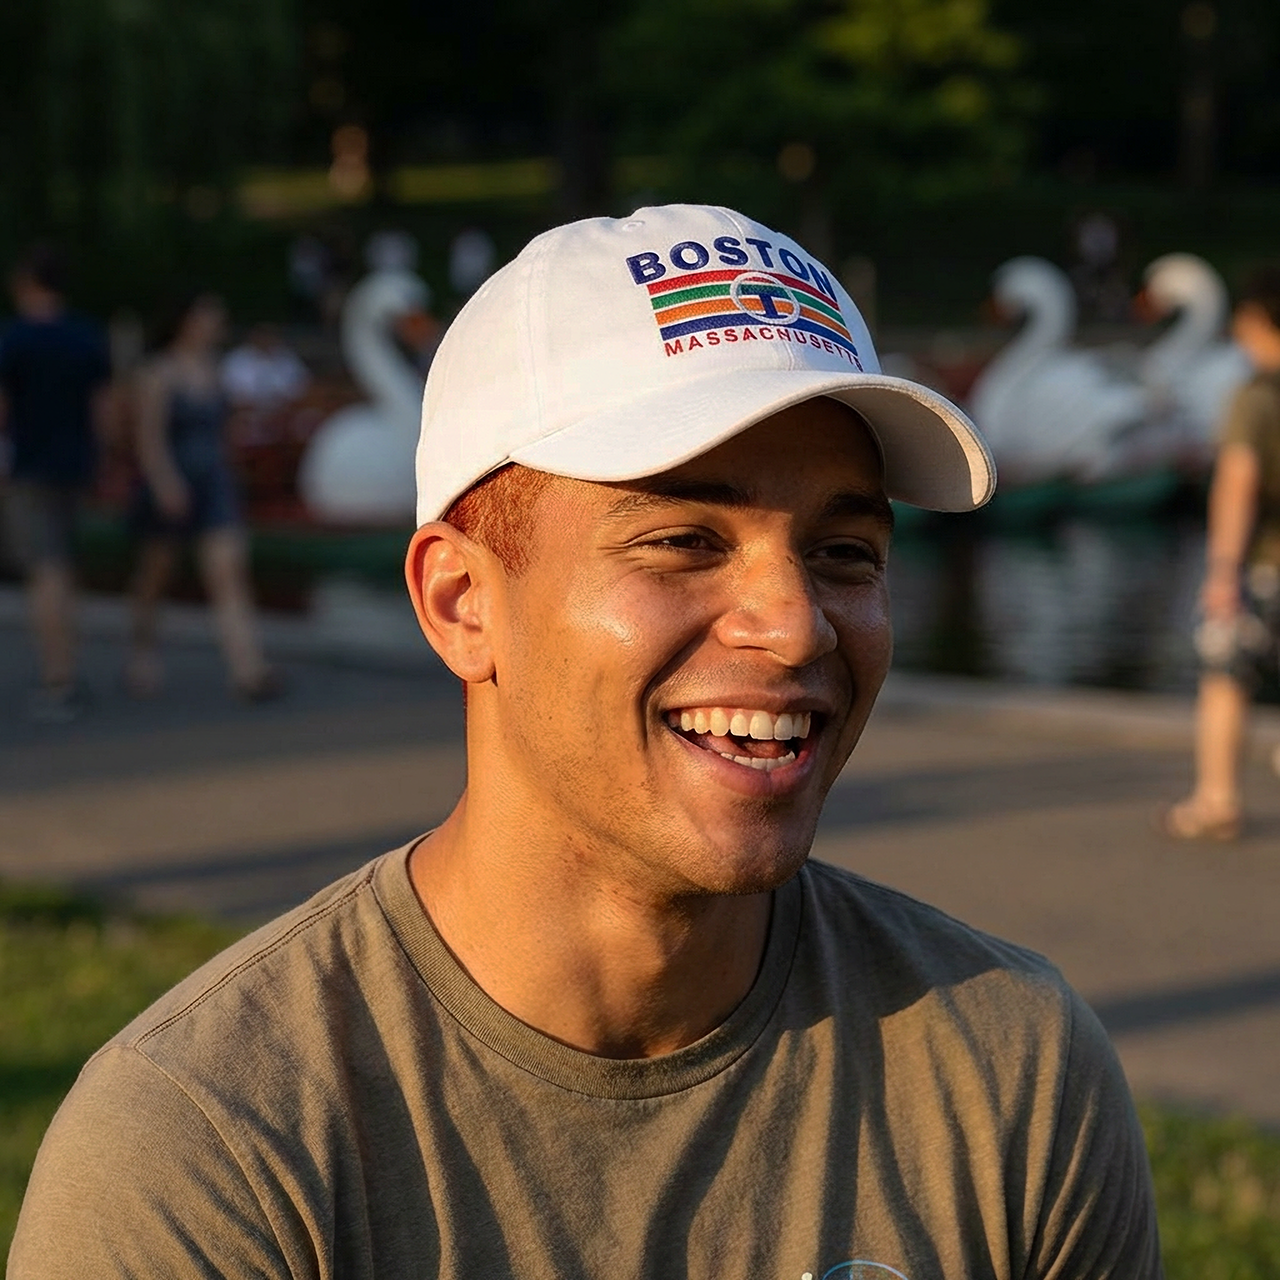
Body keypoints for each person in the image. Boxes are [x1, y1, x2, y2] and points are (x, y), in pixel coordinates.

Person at [11, 207, 1161, 1279]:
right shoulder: (207, 1151)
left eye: (844, 551)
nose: (794, 621)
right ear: (462, 601)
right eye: (678, 538)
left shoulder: (1012, 1069)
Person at [1164, 265, 1280, 840]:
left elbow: (1238, 482)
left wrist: (1221, 571)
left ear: (1259, 323)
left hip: (1263, 566)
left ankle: (1217, 800)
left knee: (1226, 677)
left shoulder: (1255, 398)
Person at [125, 293, 279, 700]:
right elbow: (149, 438)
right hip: (173, 481)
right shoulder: (158, 372)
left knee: (228, 572)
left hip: (214, 482)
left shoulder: (214, 371)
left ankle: (248, 669)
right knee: (155, 577)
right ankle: (143, 651)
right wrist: (164, 482)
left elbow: (223, 431)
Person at [0, 245, 111, 722]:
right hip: (76, 463)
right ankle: (68, 666)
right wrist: (101, 460)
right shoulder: (86, 337)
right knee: (64, 567)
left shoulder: (14, 339)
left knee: (44, 570)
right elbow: (103, 410)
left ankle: (57, 675)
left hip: (30, 466)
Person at [221, 322, 310, 411]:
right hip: (248, 413)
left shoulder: (287, 358)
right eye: (263, 334)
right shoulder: (236, 359)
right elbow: (234, 396)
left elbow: (302, 387)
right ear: (253, 335)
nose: (267, 338)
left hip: (284, 412)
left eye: (271, 334)